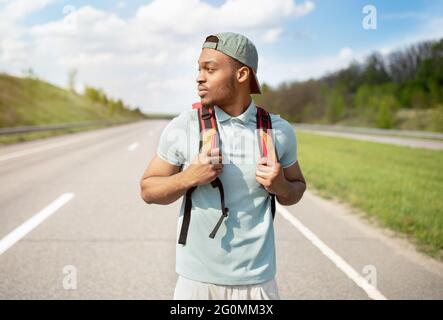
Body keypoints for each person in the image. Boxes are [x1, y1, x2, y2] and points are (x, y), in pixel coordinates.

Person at [140, 32, 306, 300]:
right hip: (196, 283)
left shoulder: (279, 131)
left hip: (258, 283)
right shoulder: (184, 126)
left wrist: (281, 186)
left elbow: (297, 189)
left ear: (241, 75)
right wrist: (188, 177)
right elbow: (148, 190)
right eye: (199, 69)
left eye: (210, 69)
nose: (199, 77)